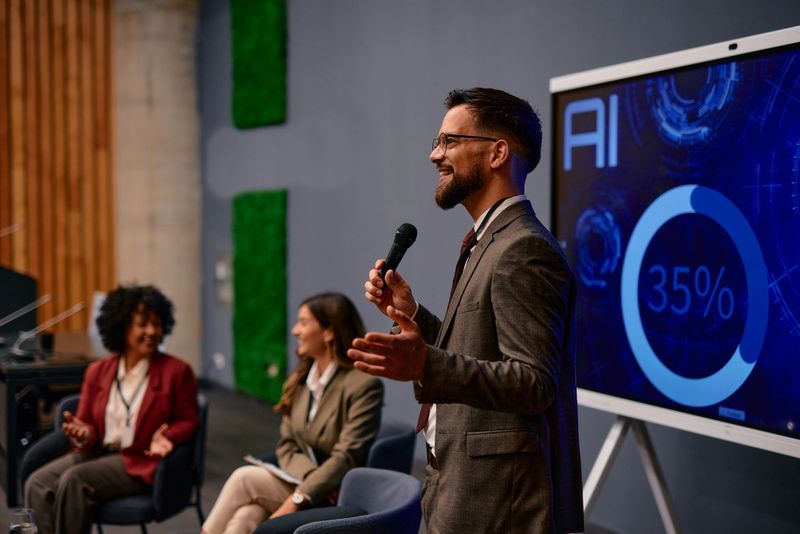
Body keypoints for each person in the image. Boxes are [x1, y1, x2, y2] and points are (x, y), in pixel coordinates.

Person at [348, 88, 584, 533]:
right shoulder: (490, 240)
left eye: (449, 141)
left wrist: (425, 363)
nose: (435, 156)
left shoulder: (524, 248)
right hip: (458, 480)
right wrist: (413, 314)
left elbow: (535, 383)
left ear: (497, 153)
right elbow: (481, 348)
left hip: (495, 500)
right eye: (438, 143)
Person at [202, 292, 384, 534]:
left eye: (304, 322)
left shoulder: (363, 384)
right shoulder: (300, 380)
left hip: (335, 492)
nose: (295, 331)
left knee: (243, 479)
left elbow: (347, 457)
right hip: (302, 480)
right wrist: (309, 475)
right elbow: (286, 444)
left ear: (329, 332)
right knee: (246, 516)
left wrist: (298, 499)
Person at [24, 285, 198, 534]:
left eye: (157, 324)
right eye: (143, 324)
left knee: (74, 480)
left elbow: (189, 420)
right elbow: (86, 425)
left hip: (137, 460)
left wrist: (168, 436)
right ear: (123, 326)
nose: (152, 332)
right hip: (97, 453)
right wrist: (84, 433)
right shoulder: (99, 371)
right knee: (37, 483)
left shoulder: (177, 372)